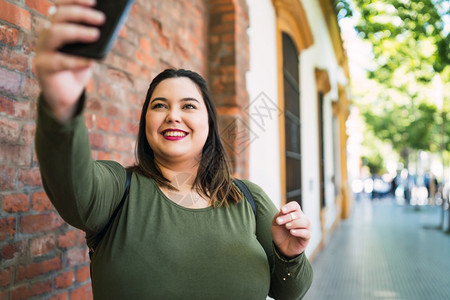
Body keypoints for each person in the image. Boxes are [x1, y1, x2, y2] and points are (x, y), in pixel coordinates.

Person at [34, 1, 313, 299]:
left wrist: (290, 254)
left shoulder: (248, 199)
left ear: (209, 123)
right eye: (159, 106)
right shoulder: (118, 191)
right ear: (146, 124)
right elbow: (71, 185)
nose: (173, 116)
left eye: (189, 106)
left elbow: (291, 291)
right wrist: (60, 108)